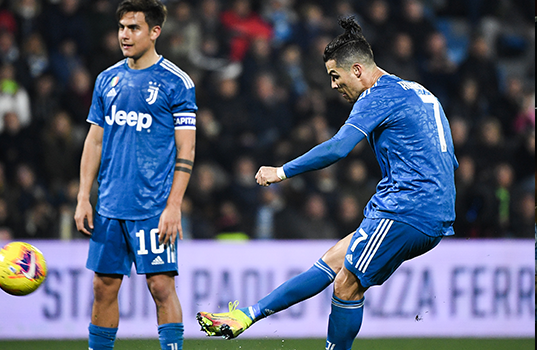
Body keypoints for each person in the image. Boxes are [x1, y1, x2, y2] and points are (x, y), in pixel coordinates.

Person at [196, 17, 457, 350]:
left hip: (408, 208)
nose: (333, 85)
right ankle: (247, 315)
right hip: (429, 207)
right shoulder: (418, 91)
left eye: (335, 76)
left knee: (346, 286)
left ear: (358, 69)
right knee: (332, 263)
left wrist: (282, 171)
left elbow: (337, 147)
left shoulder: (378, 96)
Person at [73, 1, 197, 350]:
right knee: (103, 287)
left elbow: (186, 151)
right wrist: (84, 196)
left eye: (134, 28)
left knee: (160, 286)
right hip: (111, 205)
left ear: (155, 32)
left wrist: (173, 206)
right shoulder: (106, 79)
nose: (125, 35)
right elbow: (94, 140)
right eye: (122, 28)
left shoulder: (176, 83)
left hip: (153, 207)